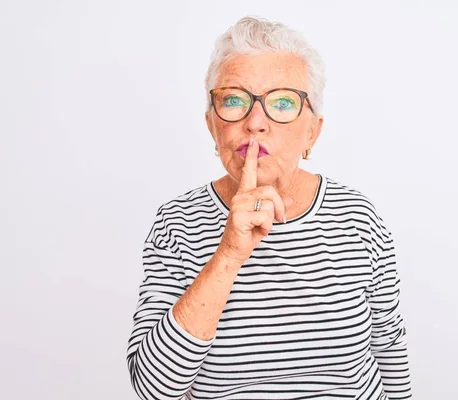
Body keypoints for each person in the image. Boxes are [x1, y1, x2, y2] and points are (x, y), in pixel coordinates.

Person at [126, 16, 412, 400]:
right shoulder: (177, 224)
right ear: (213, 126)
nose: (255, 122)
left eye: (282, 103)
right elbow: (154, 389)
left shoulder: (357, 218)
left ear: (312, 131)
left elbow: (389, 346)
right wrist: (228, 255)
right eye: (233, 100)